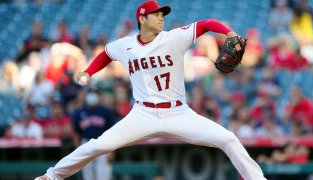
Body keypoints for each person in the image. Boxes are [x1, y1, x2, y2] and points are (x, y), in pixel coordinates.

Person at [35, 1, 266, 180]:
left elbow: (205, 23)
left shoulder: (174, 38)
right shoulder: (125, 45)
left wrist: (229, 32)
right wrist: (88, 72)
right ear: (142, 19)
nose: (161, 18)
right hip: (142, 114)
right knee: (99, 145)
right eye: (156, 14)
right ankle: (52, 175)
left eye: (162, 14)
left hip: (178, 113)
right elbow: (106, 53)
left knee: (228, 139)